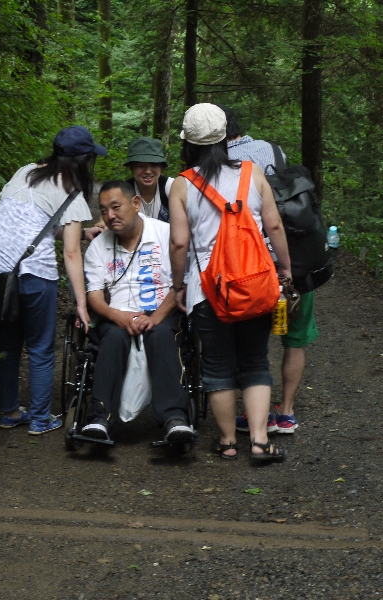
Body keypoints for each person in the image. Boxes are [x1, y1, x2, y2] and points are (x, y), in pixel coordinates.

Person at [169, 103, 291, 461]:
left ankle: (226, 442)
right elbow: (274, 226)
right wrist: (285, 269)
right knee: (255, 361)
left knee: (218, 365)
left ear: (188, 143)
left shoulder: (182, 184)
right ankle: (258, 441)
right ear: (225, 138)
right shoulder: (252, 174)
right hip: (255, 283)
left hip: (208, 290)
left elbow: (179, 243)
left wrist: (179, 287)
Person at [0, 125, 105, 435]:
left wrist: (83, 232)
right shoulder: (72, 191)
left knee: (7, 345)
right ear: (82, 161)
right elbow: (71, 254)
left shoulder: (25, 172)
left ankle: (9, 411)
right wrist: (81, 303)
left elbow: (34, 222)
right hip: (34, 273)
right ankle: (39, 418)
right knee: (40, 347)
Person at [219, 105, 319, 436]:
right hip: (296, 255)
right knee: (296, 338)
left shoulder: (221, 162)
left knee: (253, 345)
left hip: (256, 266)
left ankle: (254, 415)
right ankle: (286, 412)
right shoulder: (273, 149)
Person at [81, 180, 194, 443]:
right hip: (118, 314)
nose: (110, 216)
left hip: (162, 310)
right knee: (111, 337)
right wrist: (118, 316)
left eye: (116, 207)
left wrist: (154, 317)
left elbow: (183, 283)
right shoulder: (99, 246)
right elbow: (94, 296)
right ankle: (99, 419)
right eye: (104, 210)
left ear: (135, 203)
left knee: (162, 335)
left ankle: (174, 419)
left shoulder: (166, 234)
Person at [124, 137, 174, 222]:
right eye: (141, 166)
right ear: (131, 167)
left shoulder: (171, 186)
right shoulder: (124, 190)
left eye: (154, 165)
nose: (148, 171)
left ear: (161, 167)